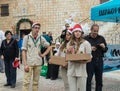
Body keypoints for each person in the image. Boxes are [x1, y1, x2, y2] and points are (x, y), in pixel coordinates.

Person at [22, 22, 50, 91]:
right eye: (35, 28)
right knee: (26, 82)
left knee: (36, 82)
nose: (37, 29)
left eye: (38, 28)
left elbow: (49, 46)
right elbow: (23, 51)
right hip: (29, 63)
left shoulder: (40, 38)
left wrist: (43, 55)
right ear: (32, 28)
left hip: (38, 63)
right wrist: (25, 64)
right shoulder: (27, 37)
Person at [66, 24, 92, 91]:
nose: (77, 33)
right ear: (73, 33)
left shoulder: (86, 43)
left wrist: (82, 61)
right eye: (76, 31)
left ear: (81, 33)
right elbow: (67, 57)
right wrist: (68, 51)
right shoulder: (69, 43)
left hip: (81, 71)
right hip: (71, 70)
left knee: (82, 89)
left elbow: (89, 58)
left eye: (79, 31)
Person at [85, 24, 108, 91]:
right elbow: (82, 51)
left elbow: (106, 50)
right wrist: (90, 48)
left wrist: (104, 47)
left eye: (97, 31)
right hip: (89, 61)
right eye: (94, 31)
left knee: (99, 80)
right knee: (88, 79)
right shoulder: (86, 39)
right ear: (91, 30)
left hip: (99, 61)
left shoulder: (101, 38)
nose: (96, 32)